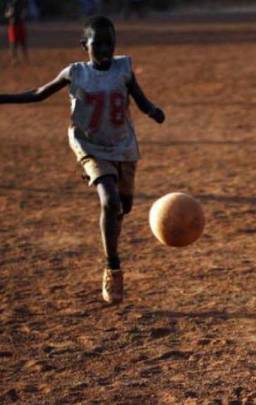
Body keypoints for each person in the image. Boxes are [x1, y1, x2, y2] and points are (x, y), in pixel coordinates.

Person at [0, 16, 165, 304]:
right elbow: (40, 94)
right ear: (83, 46)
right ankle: (112, 267)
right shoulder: (75, 73)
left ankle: (109, 214)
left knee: (123, 206)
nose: (104, 49)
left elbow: (138, 97)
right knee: (110, 201)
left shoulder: (123, 67)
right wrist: (3, 98)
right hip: (89, 145)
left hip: (123, 147)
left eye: (109, 44)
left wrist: (152, 111)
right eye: (96, 44)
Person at [5, 0, 29, 65]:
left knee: (23, 41)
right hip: (13, 24)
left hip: (20, 23)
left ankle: (25, 58)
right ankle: (14, 59)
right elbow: (6, 14)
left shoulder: (22, 2)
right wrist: (9, 13)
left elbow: (25, 11)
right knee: (13, 43)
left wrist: (24, 14)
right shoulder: (9, 3)